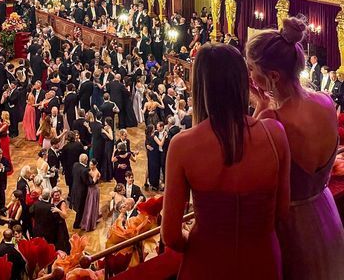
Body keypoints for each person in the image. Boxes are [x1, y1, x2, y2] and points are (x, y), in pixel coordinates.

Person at [161, 43, 290, 280]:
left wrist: (198, 241)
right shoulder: (275, 134)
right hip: (262, 260)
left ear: (200, 87)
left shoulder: (182, 145)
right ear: (242, 83)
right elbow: (282, 212)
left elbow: (170, 236)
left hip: (207, 262)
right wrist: (263, 105)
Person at [247, 17, 344, 280]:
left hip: (292, 228)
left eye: (252, 69)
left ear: (273, 76)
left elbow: (244, 163)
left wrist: (259, 105)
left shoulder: (272, 120)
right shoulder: (325, 102)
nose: (250, 77)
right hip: (326, 214)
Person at [72, 153, 92, 229]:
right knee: (80, 209)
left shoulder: (75, 165)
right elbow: (87, 182)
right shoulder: (84, 170)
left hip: (75, 188)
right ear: (85, 160)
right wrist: (94, 181)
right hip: (81, 192)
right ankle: (76, 224)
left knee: (79, 208)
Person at [80, 158, 101, 231]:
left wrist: (88, 174)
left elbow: (93, 183)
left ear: (95, 165)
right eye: (89, 164)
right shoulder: (89, 170)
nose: (90, 166)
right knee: (88, 205)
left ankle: (90, 224)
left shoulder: (96, 172)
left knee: (91, 206)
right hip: (90, 190)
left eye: (92, 165)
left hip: (93, 190)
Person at [51, 187, 70, 253]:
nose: (57, 197)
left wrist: (58, 211)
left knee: (62, 242)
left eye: (59, 195)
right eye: (55, 195)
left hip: (60, 225)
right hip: (53, 224)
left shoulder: (62, 203)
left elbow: (65, 216)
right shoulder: (51, 200)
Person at [145, 124, 161, 191]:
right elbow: (160, 144)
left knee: (150, 168)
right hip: (155, 154)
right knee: (156, 169)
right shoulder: (154, 136)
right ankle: (155, 184)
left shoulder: (147, 136)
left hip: (150, 154)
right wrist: (164, 137)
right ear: (152, 129)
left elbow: (147, 146)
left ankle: (150, 182)